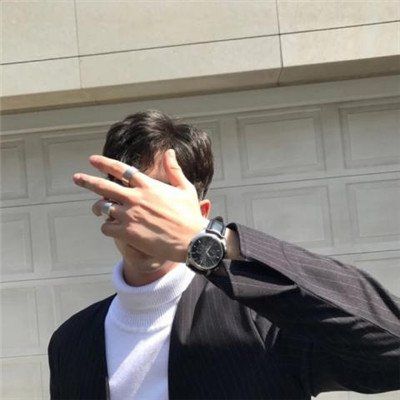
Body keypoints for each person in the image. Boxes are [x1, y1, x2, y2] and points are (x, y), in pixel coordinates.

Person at [48, 110, 400, 400]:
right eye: (129, 196)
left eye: (161, 199)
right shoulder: (72, 342)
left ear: (200, 212)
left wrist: (211, 241)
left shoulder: (264, 315)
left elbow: (391, 347)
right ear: (109, 207)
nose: (144, 214)